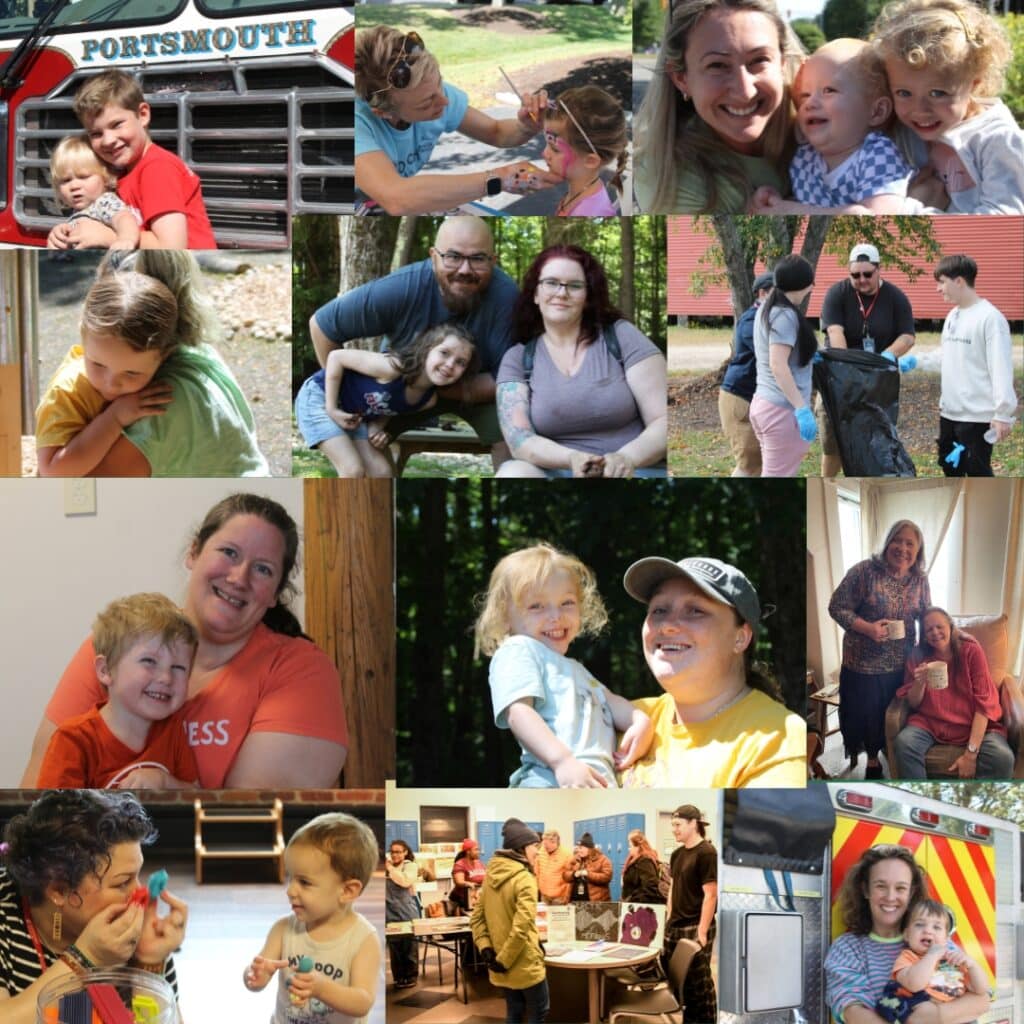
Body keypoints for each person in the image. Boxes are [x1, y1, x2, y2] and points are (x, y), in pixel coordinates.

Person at [20, 493, 349, 789]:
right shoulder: (118, 640)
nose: (239, 578)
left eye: (263, 569)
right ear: (194, 552)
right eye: (229, 552)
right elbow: (38, 794)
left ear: (276, 593)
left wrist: (168, 788)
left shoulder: (301, 669)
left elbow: (249, 822)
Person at [35, 250, 269, 478]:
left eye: (131, 372)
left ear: (164, 352)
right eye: (97, 364)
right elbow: (55, 472)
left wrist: (114, 417)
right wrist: (114, 417)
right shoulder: (204, 353)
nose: (112, 384)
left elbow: (80, 493)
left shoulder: (161, 399)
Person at [308, 216, 518, 467]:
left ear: (493, 261)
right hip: (402, 386)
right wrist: (345, 397)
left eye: (478, 258)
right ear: (433, 256)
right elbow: (321, 326)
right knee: (370, 445)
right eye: (453, 256)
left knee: (514, 433)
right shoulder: (401, 288)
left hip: (474, 390)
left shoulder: (507, 298)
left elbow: (508, 379)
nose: (465, 269)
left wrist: (432, 386)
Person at [473, 543, 653, 788]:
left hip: (593, 786)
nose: (555, 616)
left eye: (566, 603)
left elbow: (612, 703)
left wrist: (640, 721)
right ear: (505, 616)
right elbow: (519, 713)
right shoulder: (519, 649)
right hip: (549, 781)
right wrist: (562, 762)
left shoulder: (577, 670)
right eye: (536, 606)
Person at [0, 790, 188, 1023]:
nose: (140, 893)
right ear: (59, 891)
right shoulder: (6, 910)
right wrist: (86, 958)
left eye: (138, 876)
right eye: (123, 882)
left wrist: (149, 961)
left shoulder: (131, 930)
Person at [619, 554, 807, 787]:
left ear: (740, 638)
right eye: (659, 610)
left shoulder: (778, 738)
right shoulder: (627, 717)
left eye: (695, 610)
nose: (667, 624)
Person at [496, 244, 667, 478]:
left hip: (635, 469)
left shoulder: (622, 336)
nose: (561, 293)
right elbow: (519, 439)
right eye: (551, 282)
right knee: (513, 472)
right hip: (558, 472)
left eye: (574, 285)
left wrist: (626, 458)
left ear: (587, 297)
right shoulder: (517, 358)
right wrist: (572, 458)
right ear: (535, 294)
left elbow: (665, 419)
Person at [354, 27, 559, 215]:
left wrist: (525, 127)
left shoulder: (430, 91)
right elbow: (397, 198)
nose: (444, 101)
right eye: (426, 103)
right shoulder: (357, 125)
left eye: (440, 84)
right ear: (383, 113)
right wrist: (500, 179)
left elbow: (495, 131)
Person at [633, 0, 803, 213]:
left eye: (759, 60)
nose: (745, 92)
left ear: (782, 63)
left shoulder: (827, 126)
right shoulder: (664, 177)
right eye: (718, 65)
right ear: (681, 78)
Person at [872, 0, 1024, 214]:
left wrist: (911, 212)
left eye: (937, 93)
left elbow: (1004, 222)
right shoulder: (902, 132)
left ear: (974, 84)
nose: (920, 110)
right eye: (904, 93)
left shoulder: (999, 142)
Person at [36, 593, 199, 789]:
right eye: (149, 661)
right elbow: (54, 807)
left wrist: (166, 783)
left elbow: (197, 797)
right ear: (105, 670)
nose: (166, 677)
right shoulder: (73, 741)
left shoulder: (173, 731)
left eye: (178, 667)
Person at [49, 70, 215, 248]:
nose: (108, 140)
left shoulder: (157, 168)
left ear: (143, 115)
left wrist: (109, 237)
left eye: (117, 125)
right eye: (96, 133)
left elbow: (172, 247)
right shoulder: (122, 171)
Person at [825, 843, 989, 1023]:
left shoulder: (933, 941)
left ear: (911, 893)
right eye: (881, 886)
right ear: (865, 890)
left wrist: (929, 1016)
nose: (890, 897)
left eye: (900, 888)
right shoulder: (847, 948)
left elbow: (982, 1000)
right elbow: (853, 1010)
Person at [244, 812, 381, 1024]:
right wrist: (255, 975)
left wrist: (321, 988)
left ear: (347, 891)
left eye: (304, 882)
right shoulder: (283, 929)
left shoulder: (364, 940)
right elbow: (257, 977)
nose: (290, 890)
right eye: (291, 878)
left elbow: (363, 1002)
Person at [750, 39, 913, 214]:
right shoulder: (805, 158)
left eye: (829, 90)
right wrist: (777, 203)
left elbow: (878, 222)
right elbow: (811, 205)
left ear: (877, 112)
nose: (809, 103)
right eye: (805, 94)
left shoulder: (877, 155)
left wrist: (789, 211)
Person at [295, 323, 478, 478]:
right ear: (426, 350)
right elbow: (336, 357)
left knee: (382, 472)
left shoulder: (427, 400)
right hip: (319, 397)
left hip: (353, 415)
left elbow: (393, 407)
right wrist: (332, 409)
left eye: (461, 362)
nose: (450, 365)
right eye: (444, 353)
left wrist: (377, 426)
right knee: (352, 470)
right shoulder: (393, 367)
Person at [828, 520, 931, 780]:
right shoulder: (864, 571)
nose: (903, 548)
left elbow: (926, 615)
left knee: (893, 714)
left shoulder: (919, 580)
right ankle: (872, 761)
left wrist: (934, 643)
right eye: (898, 540)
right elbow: (836, 606)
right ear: (888, 542)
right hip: (863, 665)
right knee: (866, 716)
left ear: (918, 551)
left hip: (902, 663)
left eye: (910, 544)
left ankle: (891, 752)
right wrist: (868, 628)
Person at [818, 244, 917, 478]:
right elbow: (835, 332)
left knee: (875, 442)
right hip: (839, 381)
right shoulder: (837, 294)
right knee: (833, 445)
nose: (861, 280)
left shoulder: (895, 297)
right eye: (855, 275)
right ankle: (827, 484)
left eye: (867, 274)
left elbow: (907, 336)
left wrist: (888, 355)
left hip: (877, 383)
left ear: (878, 269)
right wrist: (847, 370)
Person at [893, 607, 1015, 780]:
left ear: (951, 627)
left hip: (971, 721)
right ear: (924, 636)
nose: (935, 633)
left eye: (939, 627)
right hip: (931, 722)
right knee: (904, 743)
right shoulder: (917, 655)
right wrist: (919, 683)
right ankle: (920, 796)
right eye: (929, 630)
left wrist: (970, 755)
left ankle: (975, 797)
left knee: (1002, 758)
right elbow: (913, 703)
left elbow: (984, 704)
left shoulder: (971, 650)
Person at [934, 254, 1017, 478]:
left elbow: (1000, 368)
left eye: (942, 282)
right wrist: (916, 361)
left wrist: (1002, 414)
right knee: (950, 469)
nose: (938, 289)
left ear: (959, 281)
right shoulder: (953, 315)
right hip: (949, 414)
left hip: (976, 418)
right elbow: (948, 356)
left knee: (977, 474)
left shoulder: (990, 319)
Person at [471, 818, 548, 1024]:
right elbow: (521, 928)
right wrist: (504, 960)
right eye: (535, 846)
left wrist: (487, 950)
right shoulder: (524, 878)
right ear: (522, 847)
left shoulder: (490, 876)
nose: (538, 852)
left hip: (498, 960)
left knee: (514, 1011)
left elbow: (476, 918)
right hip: (524, 964)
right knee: (538, 1012)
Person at [749, 254, 818, 477]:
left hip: (763, 403)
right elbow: (778, 365)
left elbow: (783, 355)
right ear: (802, 285)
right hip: (782, 411)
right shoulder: (784, 315)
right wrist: (801, 409)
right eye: (811, 283)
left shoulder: (767, 307)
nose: (812, 288)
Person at [875, 899, 988, 1023]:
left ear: (946, 939)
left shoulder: (953, 958)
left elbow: (980, 990)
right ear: (907, 935)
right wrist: (931, 956)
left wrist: (972, 965)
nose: (928, 931)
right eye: (919, 924)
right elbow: (914, 984)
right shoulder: (907, 957)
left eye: (936, 927)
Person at [665, 805, 717, 1024]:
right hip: (675, 926)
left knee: (699, 987)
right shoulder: (677, 854)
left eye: (678, 825)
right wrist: (668, 918)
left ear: (693, 824)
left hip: (695, 925)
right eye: (673, 825)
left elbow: (711, 894)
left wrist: (702, 932)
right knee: (680, 985)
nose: (674, 829)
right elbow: (672, 888)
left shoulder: (706, 852)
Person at [541, 87, 628, 216]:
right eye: (547, 145)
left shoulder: (589, 212)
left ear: (591, 160)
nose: (544, 154)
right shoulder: (583, 192)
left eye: (555, 149)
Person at [719, 270, 773, 477]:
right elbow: (769, 353)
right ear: (763, 293)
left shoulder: (769, 319)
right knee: (749, 463)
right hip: (739, 398)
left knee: (760, 462)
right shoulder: (751, 320)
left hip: (755, 399)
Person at [47, 135, 140, 251]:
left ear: (106, 177)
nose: (74, 186)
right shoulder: (79, 210)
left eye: (83, 177)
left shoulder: (104, 202)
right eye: (66, 180)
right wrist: (61, 234)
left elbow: (123, 218)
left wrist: (126, 239)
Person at [385, 839, 420, 990]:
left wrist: (390, 868)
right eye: (392, 852)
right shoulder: (386, 867)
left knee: (409, 946)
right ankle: (399, 977)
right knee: (395, 947)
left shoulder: (410, 866)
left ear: (405, 852)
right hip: (390, 912)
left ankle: (411, 976)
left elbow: (405, 881)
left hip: (406, 911)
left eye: (398, 852)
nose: (395, 855)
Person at [563, 833, 613, 902]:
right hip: (574, 901)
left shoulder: (603, 860)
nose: (579, 851)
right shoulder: (575, 859)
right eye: (578, 848)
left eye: (581, 848)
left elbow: (606, 877)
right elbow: (565, 875)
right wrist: (574, 874)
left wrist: (588, 874)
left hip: (595, 902)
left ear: (589, 849)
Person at [621, 829, 664, 904]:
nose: (629, 849)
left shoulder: (645, 861)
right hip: (632, 903)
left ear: (638, 847)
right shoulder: (635, 859)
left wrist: (631, 898)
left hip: (639, 905)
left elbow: (650, 886)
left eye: (630, 846)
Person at [534, 830, 572, 905]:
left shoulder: (567, 855)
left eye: (547, 844)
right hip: (544, 896)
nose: (545, 847)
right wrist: (537, 888)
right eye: (544, 843)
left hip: (559, 897)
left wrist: (566, 896)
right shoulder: (541, 851)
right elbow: (537, 872)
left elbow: (569, 878)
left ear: (555, 842)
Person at [450, 839, 486, 913]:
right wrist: (468, 883)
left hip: (477, 898)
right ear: (468, 851)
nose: (478, 852)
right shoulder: (460, 864)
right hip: (463, 901)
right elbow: (459, 881)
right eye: (476, 850)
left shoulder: (479, 863)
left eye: (478, 849)